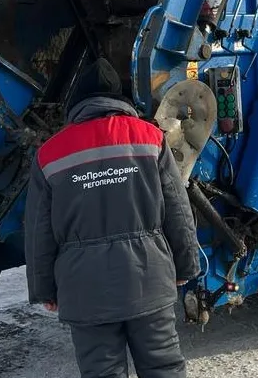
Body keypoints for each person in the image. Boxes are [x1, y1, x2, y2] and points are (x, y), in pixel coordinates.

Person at [25, 57, 201, 378]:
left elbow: (39, 230)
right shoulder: (151, 139)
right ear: (121, 101)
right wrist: (186, 265)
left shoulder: (49, 153)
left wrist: (45, 289)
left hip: (84, 290)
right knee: (163, 367)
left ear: (77, 104)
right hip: (149, 278)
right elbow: (178, 208)